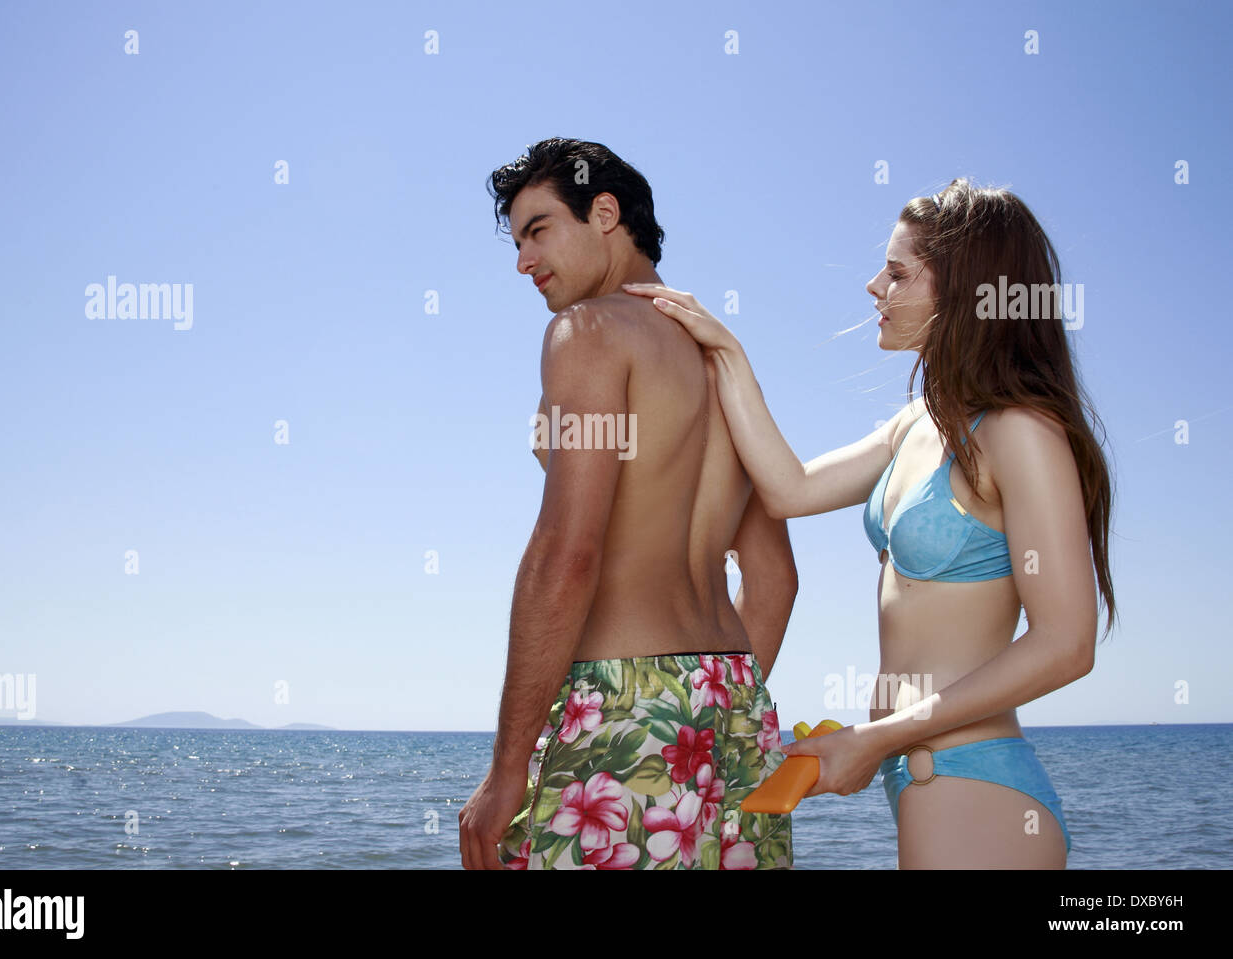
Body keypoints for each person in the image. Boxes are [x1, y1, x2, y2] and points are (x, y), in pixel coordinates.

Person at [624, 178, 1116, 869]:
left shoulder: (1020, 433)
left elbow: (1068, 643)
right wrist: (726, 354)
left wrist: (874, 739)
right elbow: (788, 488)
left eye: (897, 272)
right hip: (918, 774)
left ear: (969, 292)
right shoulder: (917, 425)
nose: (871, 286)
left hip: (975, 783)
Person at [458, 139, 798, 870]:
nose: (522, 260)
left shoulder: (588, 333)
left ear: (604, 213)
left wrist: (508, 765)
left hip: (621, 705)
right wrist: (706, 710)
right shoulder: (722, 360)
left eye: (538, 230)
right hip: (736, 709)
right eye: (516, 241)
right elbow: (775, 582)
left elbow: (566, 552)